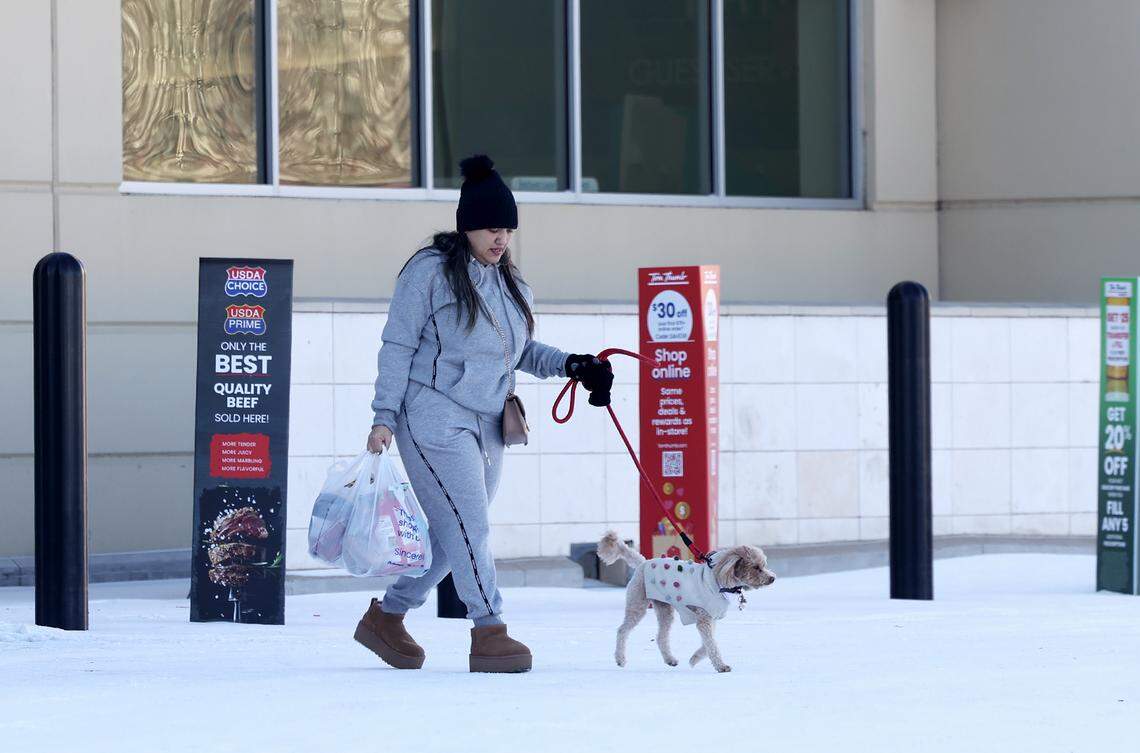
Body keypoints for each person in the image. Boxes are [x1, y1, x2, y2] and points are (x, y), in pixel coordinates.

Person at [354, 154, 613, 673]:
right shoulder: (427, 273)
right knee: (469, 523)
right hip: (430, 416)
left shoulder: (509, 282)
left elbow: (517, 351)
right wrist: (384, 416)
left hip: (489, 420)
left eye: (509, 230)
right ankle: (489, 629)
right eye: (493, 228)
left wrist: (573, 365)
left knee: (458, 531)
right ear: (468, 225)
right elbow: (397, 345)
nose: (502, 239)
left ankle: (388, 616)